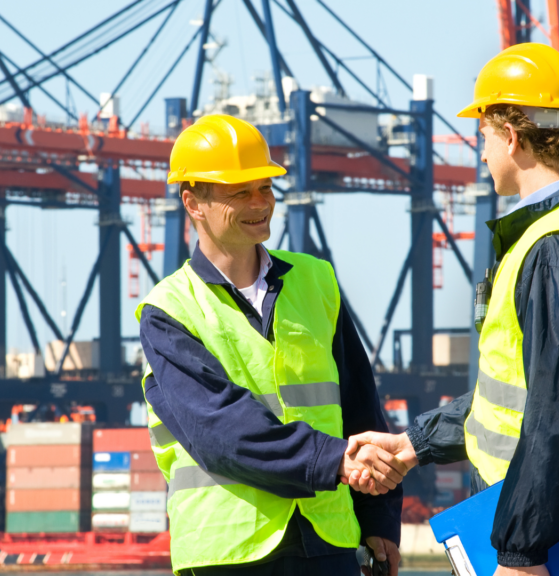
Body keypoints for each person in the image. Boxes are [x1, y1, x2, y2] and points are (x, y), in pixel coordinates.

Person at [345, 43, 559, 576]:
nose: (482, 153)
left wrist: (521, 553)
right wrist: (413, 444)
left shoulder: (552, 248)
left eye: (484, 137)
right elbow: (518, 399)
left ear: (511, 136)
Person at [137, 114, 405, 576]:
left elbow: (361, 407)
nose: (260, 203)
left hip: (328, 538)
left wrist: (379, 518)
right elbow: (219, 431)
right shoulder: (169, 310)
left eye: (265, 188)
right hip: (230, 552)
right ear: (192, 203)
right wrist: (334, 459)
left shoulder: (316, 280)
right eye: (239, 192)